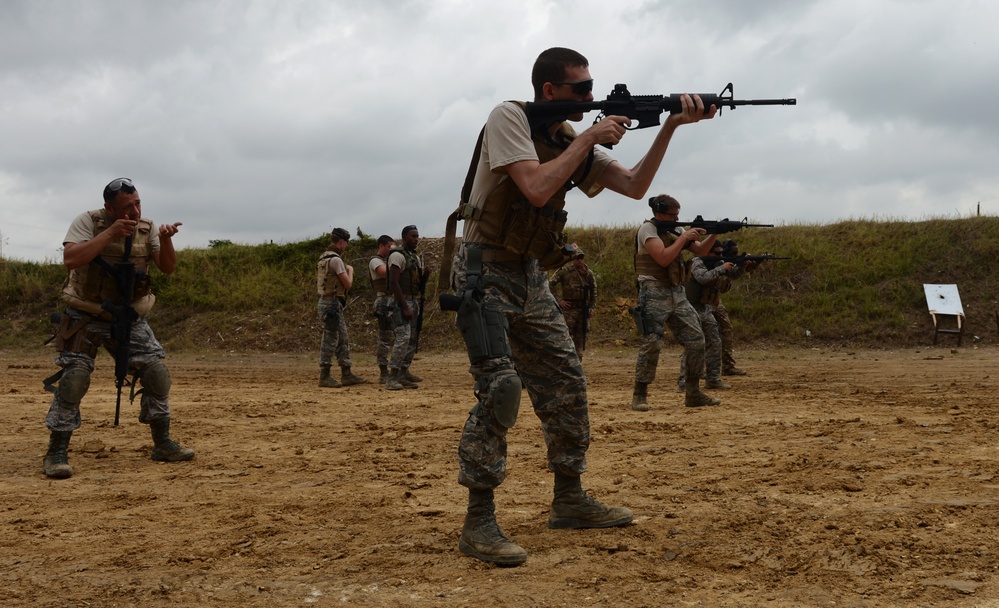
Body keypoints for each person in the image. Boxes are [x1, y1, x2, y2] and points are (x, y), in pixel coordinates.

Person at [448, 47, 716, 566]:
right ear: (550, 92)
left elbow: (636, 186)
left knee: (567, 381)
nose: (590, 98)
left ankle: (568, 498)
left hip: (529, 274)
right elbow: (536, 185)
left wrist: (672, 126)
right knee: (501, 389)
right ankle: (478, 520)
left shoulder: (570, 139)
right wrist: (592, 135)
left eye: (593, 89)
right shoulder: (511, 117)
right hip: (485, 270)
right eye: (581, 90)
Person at [41, 177, 194, 479]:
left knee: (156, 373)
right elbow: (71, 260)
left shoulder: (147, 228)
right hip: (86, 313)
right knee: (74, 378)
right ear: (109, 208)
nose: (135, 211)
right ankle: (56, 451)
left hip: (128, 315)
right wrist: (110, 233)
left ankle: (162, 443)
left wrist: (166, 239)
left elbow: (168, 267)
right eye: (127, 207)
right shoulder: (88, 222)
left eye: (137, 203)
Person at [631, 194, 721, 411]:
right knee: (653, 342)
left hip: (676, 291)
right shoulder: (648, 230)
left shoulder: (675, 230)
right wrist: (684, 238)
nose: (677, 219)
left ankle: (693, 392)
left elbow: (700, 250)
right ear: (659, 213)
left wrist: (715, 232)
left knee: (696, 340)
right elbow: (662, 257)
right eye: (673, 215)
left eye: (678, 214)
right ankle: (640, 394)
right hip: (653, 291)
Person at [676, 238, 746, 391]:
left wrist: (742, 265)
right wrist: (722, 268)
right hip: (689, 307)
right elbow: (703, 278)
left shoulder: (714, 263)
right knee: (693, 344)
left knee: (714, 341)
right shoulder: (697, 262)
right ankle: (684, 381)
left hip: (704, 308)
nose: (720, 256)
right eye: (717, 253)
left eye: (722, 253)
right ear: (707, 252)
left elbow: (733, 275)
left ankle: (712, 378)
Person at [317, 228, 368, 388]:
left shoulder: (323, 257)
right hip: (332, 303)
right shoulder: (336, 260)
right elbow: (348, 284)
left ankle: (347, 373)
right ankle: (324, 376)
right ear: (341, 242)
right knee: (330, 339)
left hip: (328, 302)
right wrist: (350, 271)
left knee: (342, 338)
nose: (346, 246)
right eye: (346, 243)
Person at [384, 225, 431, 391]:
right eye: (413, 236)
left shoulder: (414, 258)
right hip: (400, 302)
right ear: (404, 237)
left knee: (412, 339)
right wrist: (404, 307)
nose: (416, 239)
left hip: (413, 300)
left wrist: (425, 277)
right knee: (403, 338)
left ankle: (403, 373)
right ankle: (392, 376)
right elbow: (393, 283)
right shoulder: (397, 256)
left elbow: (418, 284)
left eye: (417, 236)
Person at [715, 239, 758, 376]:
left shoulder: (723, 262)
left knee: (726, 329)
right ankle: (699, 367)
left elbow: (733, 275)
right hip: (700, 301)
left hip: (715, 300)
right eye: (732, 252)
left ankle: (727, 366)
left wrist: (741, 265)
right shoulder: (710, 261)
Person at [549, 249, 597, 359]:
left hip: (583, 309)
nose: (580, 260)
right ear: (572, 259)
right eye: (577, 258)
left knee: (581, 337)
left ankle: (578, 360)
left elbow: (593, 290)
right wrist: (559, 300)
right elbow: (551, 284)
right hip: (569, 309)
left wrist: (592, 306)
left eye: (581, 258)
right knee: (565, 335)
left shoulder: (588, 273)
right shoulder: (564, 271)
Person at [369, 235, 396, 384]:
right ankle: (383, 371)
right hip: (383, 302)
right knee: (384, 338)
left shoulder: (389, 262)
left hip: (393, 301)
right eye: (389, 246)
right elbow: (383, 272)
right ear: (381, 246)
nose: (390, 250)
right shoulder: (375, 261)